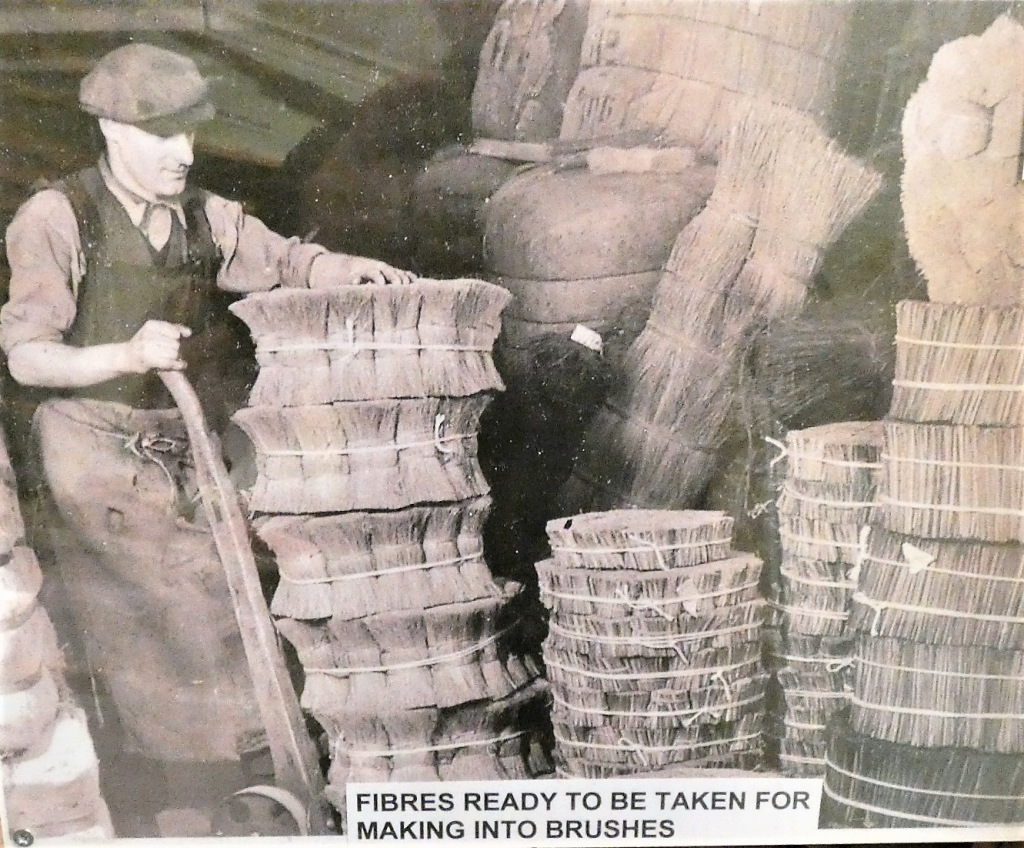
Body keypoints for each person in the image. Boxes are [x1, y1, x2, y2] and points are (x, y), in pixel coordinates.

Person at [0, 43, 413, 836]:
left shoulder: (205, 214)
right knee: (165, 624)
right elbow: (26, 357)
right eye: (161, 135)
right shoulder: (58, 219)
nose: (183, 154)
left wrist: (344, 269)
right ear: (113, 130)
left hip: (178, 439)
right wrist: (125, 356)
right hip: (92, 448)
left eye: (191, 133)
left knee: (234, 597)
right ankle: (193, 800)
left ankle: (250, 784)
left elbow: (285, 260)